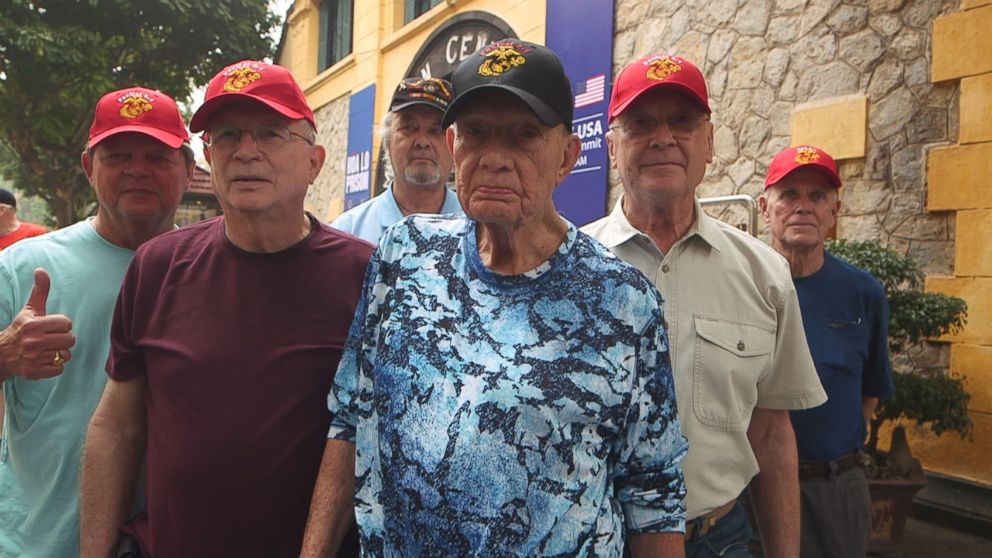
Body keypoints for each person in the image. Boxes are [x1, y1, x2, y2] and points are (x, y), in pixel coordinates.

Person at [300, 41, 688, 557]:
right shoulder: (404, 255)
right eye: (477, 133)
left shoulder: (622, 301)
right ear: (453, 143)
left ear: (567, 156)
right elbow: (350, 419)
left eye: (524, 135)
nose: (496, 159)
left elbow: (653, 494)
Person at [80, 61, 372, 558]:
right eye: (227, 134)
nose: (245, 151)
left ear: (315, 161)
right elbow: (118, 424)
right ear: (209, 157)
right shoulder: (159, 266)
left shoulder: (365, 274)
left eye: (270, 133)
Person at [582, 54, 827, 558]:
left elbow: (772, 432)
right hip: (595, 539)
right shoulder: (568, 271)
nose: (663, 137)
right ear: (611, 146)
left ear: (710, 143)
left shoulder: (765, 275)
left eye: (683, 122)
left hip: (719, 538)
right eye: (642, 123)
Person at [0, 86, 193, 558]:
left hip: (166, 539)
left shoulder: (210, 270)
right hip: (39, 539)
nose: (137, 169)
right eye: (118, 154)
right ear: (89, 168)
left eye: (157, 156)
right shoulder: (22, 267)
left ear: (190, 171)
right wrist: (5, 353)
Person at [759, 145, 894, 558]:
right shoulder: (740, 282)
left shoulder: (863, 294)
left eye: (817, 196)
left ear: (835, 210)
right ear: (766, 207)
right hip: (752, 489)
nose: (804, 207)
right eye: (791, 194)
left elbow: (871, 387)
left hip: (835, 490)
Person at [331, 77, 460, 243]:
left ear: (454, 143)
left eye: (436, 130)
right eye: (409, 128)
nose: (422, 142)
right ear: (387, 141)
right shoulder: (348, 234)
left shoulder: (481, 228)